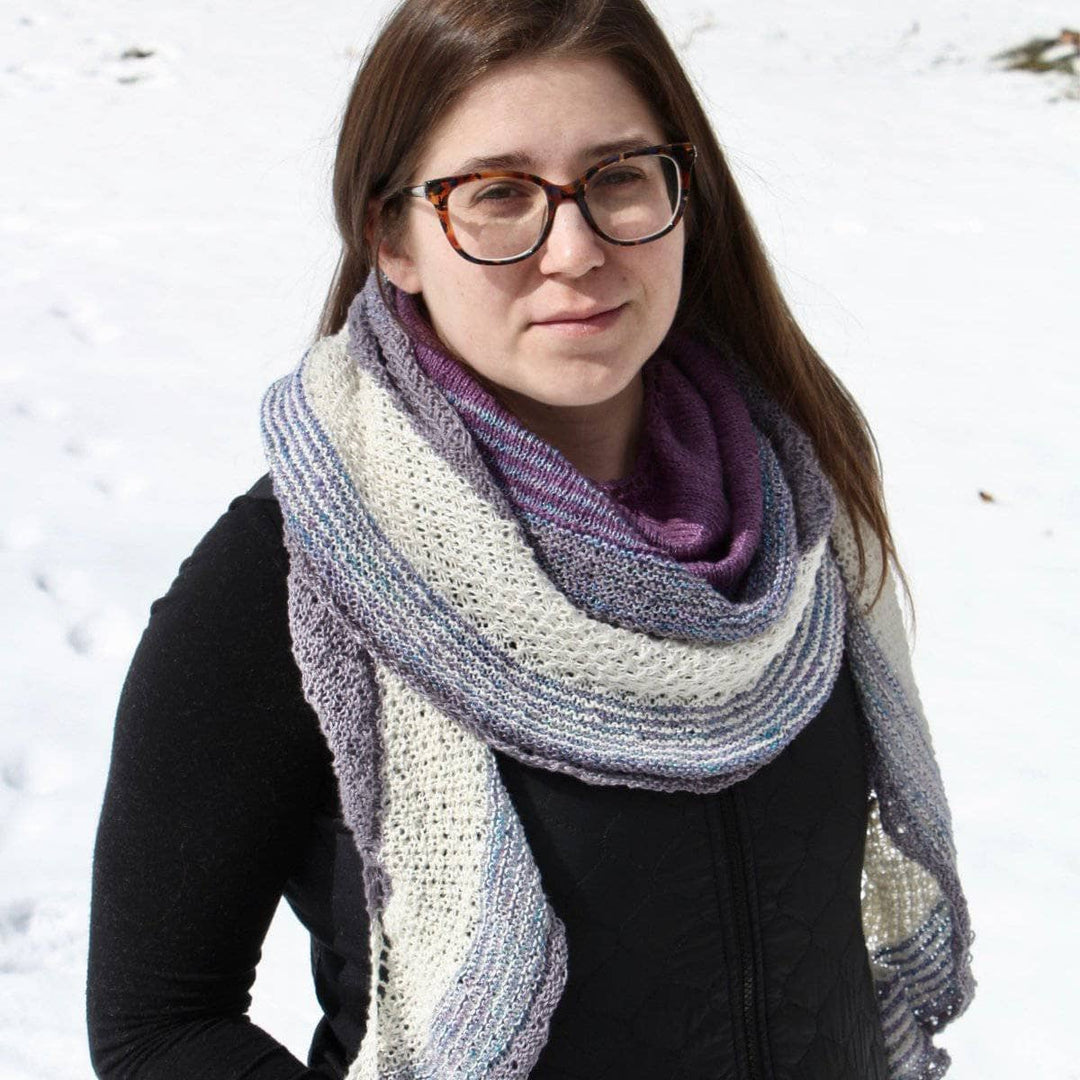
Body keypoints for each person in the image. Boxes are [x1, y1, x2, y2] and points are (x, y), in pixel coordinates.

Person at [86, 0, 975, 1077]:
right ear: (392, 236)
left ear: (684, 196)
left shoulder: (800, 513)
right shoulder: (292, 572)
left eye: (619, 178)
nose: (577, 249)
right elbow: (160, 1025)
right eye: (499, 195)